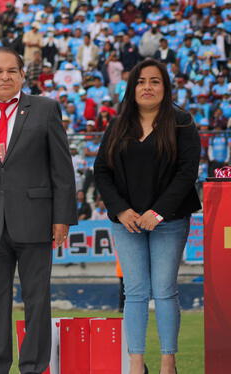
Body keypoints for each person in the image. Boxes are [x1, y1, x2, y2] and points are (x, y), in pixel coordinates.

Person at [0, 47, 76, 374]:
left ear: (22, 75)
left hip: (36, 221)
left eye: (11, 71)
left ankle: (33, 367)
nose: (5, 76)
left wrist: (62, 218)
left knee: (37, 302)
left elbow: (62, 169)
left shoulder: (46, 109)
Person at [94, 59, 201, 374]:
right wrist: (121, 209)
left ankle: (169, 362)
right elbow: (101, 170)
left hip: (170, 221)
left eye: (155, 81)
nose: (148, 87)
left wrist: (158, 212)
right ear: (132, 87)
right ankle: (136, 363)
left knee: (165, 290)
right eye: (141, 81)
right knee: (135, 291)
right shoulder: (119, 124)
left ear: (165, 87)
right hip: (127, 222)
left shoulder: (182, 123)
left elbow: (187, 173)